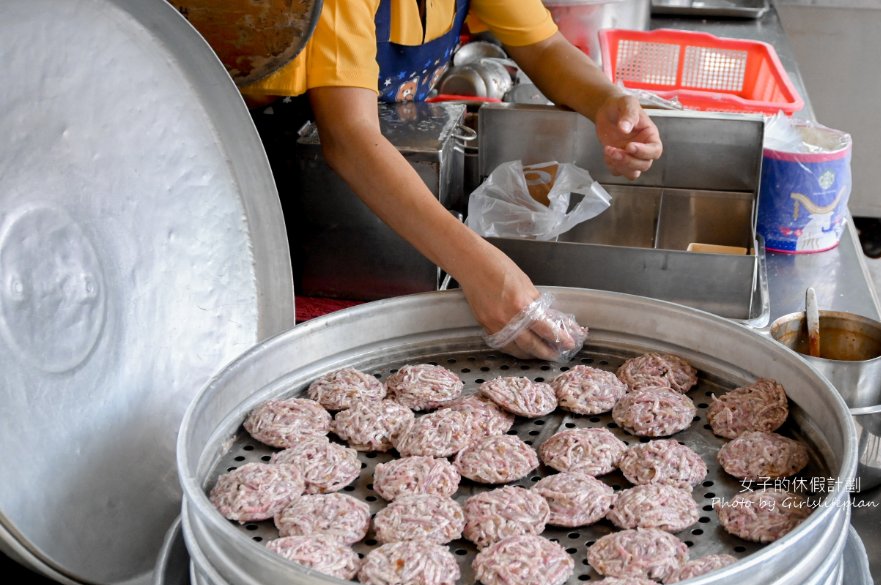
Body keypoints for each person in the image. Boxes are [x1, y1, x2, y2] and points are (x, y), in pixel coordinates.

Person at [242, 0, 662, 359]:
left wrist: (605, 100)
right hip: (278, 190)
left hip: (388, 197)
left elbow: (544, 46)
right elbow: (349, 137)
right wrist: (478, 269)